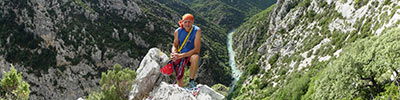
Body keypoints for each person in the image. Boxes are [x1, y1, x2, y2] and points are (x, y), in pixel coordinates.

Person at [171, 13, 201, 88]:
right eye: (185, 22)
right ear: (182, 22)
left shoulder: (197, 31)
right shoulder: (177, 31)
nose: (187, 24)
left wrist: (181, 55)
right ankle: (181, 87)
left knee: (195, 57)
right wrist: (174, 53)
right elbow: (175, 45)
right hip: (181, 54)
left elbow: (196, 50)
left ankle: (191, 81)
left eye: (189, 22)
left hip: (191, 54)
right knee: (179, 75)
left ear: (192, 22)